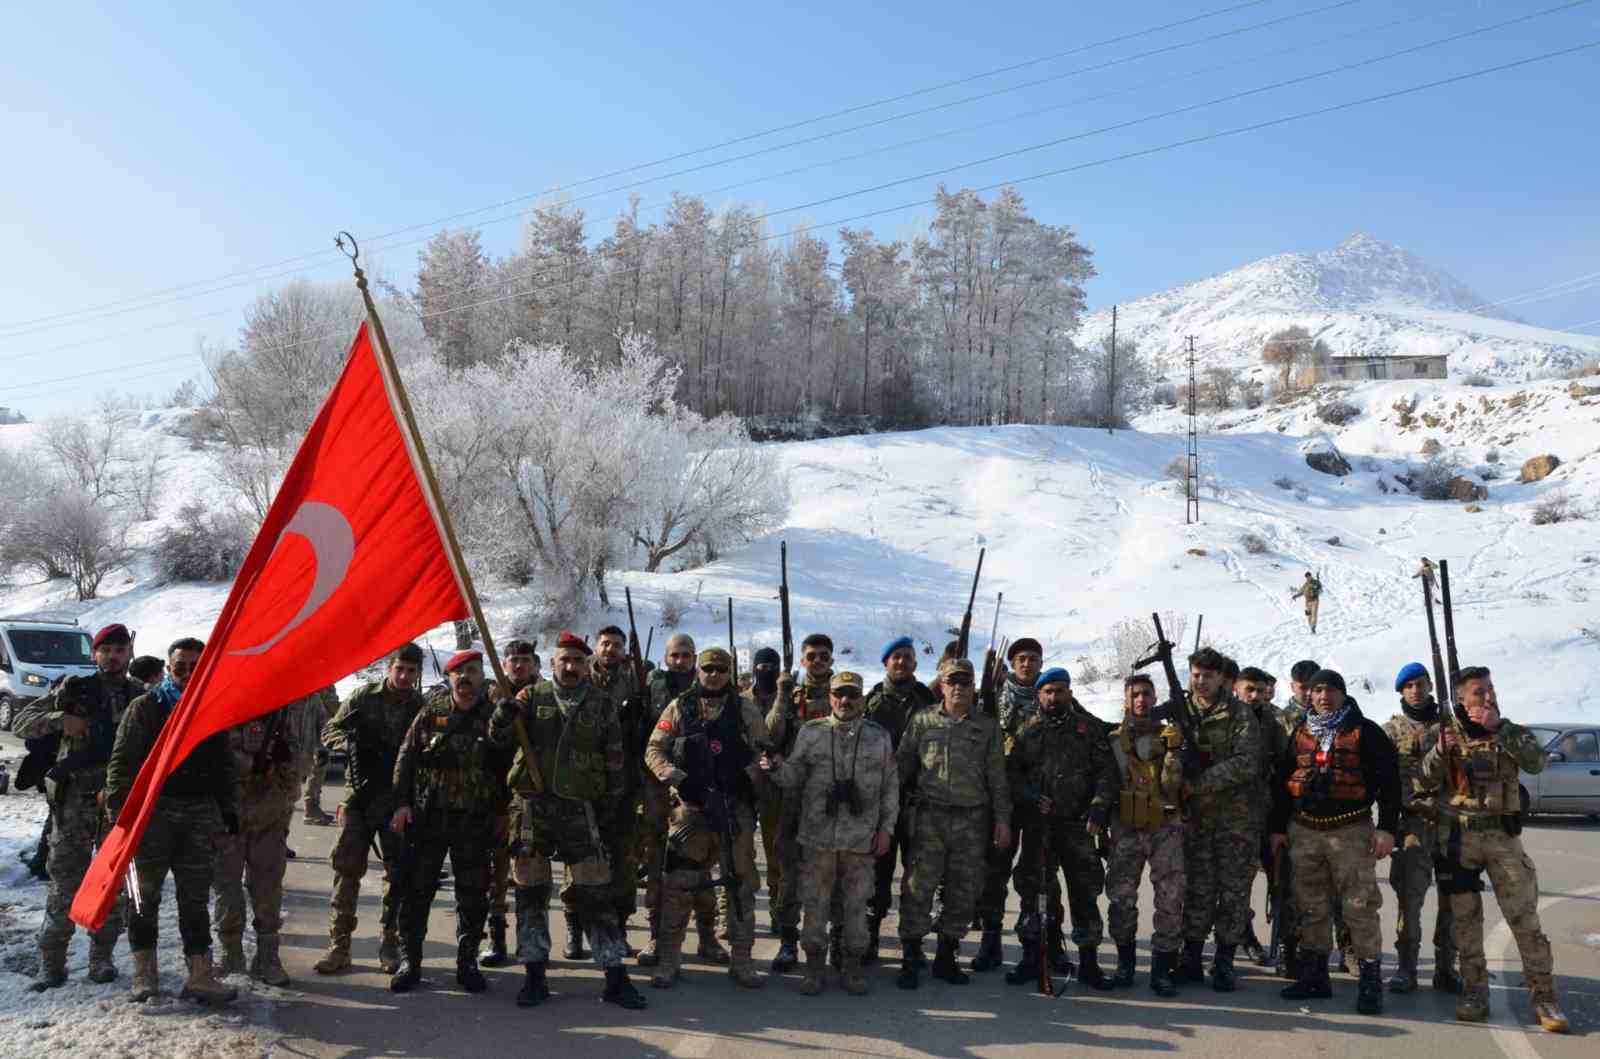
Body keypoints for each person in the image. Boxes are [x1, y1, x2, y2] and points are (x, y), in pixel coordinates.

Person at [489, 632, 648, 1010]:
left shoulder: (600, 703)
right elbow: (496, 740)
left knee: (596, 893)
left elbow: (614, 759)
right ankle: (534, 974)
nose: (571, 667)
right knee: (530, 892)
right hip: (533, 809)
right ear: (553, 662)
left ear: (586, 663)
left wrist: (609, 811)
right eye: (565, 660)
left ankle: (614, 976)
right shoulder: (530, 697)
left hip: (581, 809)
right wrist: (502, 716)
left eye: (578, 660)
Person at [1420, 667, 1569, 1032]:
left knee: (1525, 919)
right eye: (1478, 692)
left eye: (1490, 689)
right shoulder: (1445, 734)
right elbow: (1423, 777)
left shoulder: (1510, 731)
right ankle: (1475, 993)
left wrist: (1498, 726)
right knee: (1466, 923)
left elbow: (1536, 762)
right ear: (1460, 700)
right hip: (1458, 838)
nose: (1488, 696)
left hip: (1502, 838)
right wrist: (1440, 753)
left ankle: (1545, 998)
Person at [107, 637, 238, 1005]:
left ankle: (200, 974)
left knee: (194, 898)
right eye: (180, 666)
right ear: (169, 667)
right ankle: (145, 975)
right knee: (144, 897)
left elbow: (224, 765)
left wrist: (228, 811)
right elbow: (122, 762)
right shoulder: (146, 708)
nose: (187, 673)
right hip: (153, 814)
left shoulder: (211, 708)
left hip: (199, 815)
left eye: (196, 667)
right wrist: (120, 813)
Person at [14, 623, 143, 991]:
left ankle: (100, 960)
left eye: (120, 650)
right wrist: (60, 720)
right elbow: (21, 721)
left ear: (128, 654)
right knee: (63, 886)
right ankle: (51, 965)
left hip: (116, 806)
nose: (113, 656)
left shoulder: (140, 697)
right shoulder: (72, 689)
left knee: (112, 886)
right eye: (107, 649)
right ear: (94, 654)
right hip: (72, 805)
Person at [1271, 669, 1400, 1015]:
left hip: (1351, 830)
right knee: (1310, 905)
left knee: (1359, 906)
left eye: (1330, 690)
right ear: (1309, 696)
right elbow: (1282, 781)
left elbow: (1390, 783)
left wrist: (1388, 828)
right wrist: (1278, 829)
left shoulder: (1366, 732)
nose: (1323, 697)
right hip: (1304, 830)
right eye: (1317, 691)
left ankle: (1370, 980)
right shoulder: (1299, 732)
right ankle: (1315, 976)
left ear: (1343, 694)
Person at [644, 646, 772, 989]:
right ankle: (670, 958)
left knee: (741, 885)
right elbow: (654, 750)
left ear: (730, 672)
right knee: (679, 885)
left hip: (735, 808)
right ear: (698, 670)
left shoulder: (745, 708)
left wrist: (746, 777)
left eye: (720, 669)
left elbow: (764, 752)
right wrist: (680, 780)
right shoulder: (681, 706)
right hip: (692, 809)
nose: (713, 674)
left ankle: (741, 959)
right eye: (708, 668)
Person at [766, 671, 898, 995]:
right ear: (831, 697)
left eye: (852, 694)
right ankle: (814, 969)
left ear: (862, 699)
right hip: (818, 839)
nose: (845, 700)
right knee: (815, 906)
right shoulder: (811, 733)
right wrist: (776, 769)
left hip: (859, 841)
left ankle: (852, 968)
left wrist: (886, 830)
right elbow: (794, 775)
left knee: (855, 909)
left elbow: (890, 787)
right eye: (839, 694)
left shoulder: (879, 737)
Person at [894, 657, 1011, 990]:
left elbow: (997, 778)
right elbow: (901, 770)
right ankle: (911, 956)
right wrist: (888, 815)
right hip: (929, 818)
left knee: (963, 891)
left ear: (974, 686)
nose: (959, 687)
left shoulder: (988, 727)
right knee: (918, 888)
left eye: (965, 682)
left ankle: (946, 957)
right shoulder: (922, 720)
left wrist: (1002, 820)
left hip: (972, 820)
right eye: (952, 681)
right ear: (941, 685)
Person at [388, 649, 501, 994]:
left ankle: (467, 963)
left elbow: (507, 767)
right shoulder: (430, 713)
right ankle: (411, 961)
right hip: (430, 818)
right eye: (459, 672)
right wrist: (401, 804)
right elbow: (405, 759)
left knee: (473, 895)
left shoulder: (495, 717)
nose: (465, 678)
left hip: (474, 821)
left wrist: (502, 813)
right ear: (449, 677)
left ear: (482, 677)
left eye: (472, 671)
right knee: (416, 891)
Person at [314, 644, 427, 975]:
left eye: (411, 671)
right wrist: (349, 745)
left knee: (397, 875)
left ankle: (389, 943)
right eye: (399, 669)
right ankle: (339, 947)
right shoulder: (364, 698)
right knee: (347, 872)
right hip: (359, 799)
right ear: (389, 668)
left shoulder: (421, 707)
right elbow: (330, 729)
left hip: (397, 802)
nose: (404, 676)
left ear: (419, 673)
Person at [1004, 667, 1118, 990]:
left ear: (1070, 693)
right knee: (1034, 893)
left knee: (1084, 894)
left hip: (1078, 826)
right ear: (1039, 695)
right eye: (1048, 691)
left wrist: (1099, 804)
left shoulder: (1088, 729)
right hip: (1040, 827)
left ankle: (1090, 964)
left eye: (1060, 690)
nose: (1054, 697)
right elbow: (1011, 773)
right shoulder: (1027, 731)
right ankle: (1031, 958)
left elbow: (1107, 772)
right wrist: (1028, 796)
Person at [212, 692, 313, 986]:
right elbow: (211, 761)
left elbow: (295, 767)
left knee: (267, 889)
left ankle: (268, 958)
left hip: (268, 815)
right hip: (226, 816)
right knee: (226, 889)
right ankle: (231, 955)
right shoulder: (220, 711)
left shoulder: (278, 716)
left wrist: (284, 792)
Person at [1178, 647, 1261, 991]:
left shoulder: (1240, 714)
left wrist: (1198, 784)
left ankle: (1224, 961)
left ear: (1221, 678)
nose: (1201, 681)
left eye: (1208, 676)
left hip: (1235, 822)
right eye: (1196, 675)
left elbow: (1246, 763)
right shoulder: (1181, 713)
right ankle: (1191, 958)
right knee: (1197, 891)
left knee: (1233, 894)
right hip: (1195, 822)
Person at [637, 633, 721, 969]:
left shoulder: (712, 693)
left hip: (700, 794)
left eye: (686, 655)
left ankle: (708, 936)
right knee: (658, 866)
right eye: (674, 655)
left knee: (701, 867)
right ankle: (657, 936)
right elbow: (649, 744)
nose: (680, 661)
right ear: (665, 657)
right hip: (660, 789)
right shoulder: (652, 687)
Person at [1105, 674, 1186, 996]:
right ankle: (1125, 965)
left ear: (1155, 699)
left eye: (1147, 694)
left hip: (1165, 827)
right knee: (1121, 899)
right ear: (1126, 699)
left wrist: (1174, 750)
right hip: (1126, 827)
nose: (1141, 699)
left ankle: (1162, 969)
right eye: (1135, 694)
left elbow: (1174, 785)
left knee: (1170, 899)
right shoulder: (1112, 739)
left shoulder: (1171, 736)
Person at [1383, 662, 1460, 994]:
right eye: (1409, 685)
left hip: (1453, 825)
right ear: (1401, 691)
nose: (1416, 690)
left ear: (1431, 686)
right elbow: (1385, 784)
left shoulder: (1452, 726)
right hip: (1412, 824)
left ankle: (1446, 969)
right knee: (1410, 901)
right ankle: (1406, 968)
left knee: (1454, 901)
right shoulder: (1390, 732)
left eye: (1421, 683)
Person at [861, 635, 937, 965]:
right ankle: (870, 936)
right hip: (880, 801)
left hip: (920, 801)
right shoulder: (871, 702)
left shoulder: (928, 699)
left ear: (916, 664)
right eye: (896, 657)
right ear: (885, 663)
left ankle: (912, 942)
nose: (902, 662)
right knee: (877, 872)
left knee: (917, 877)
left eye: (907, 657)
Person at [973, 637, 1047, 973]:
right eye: (1021, 658)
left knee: (1033, 876)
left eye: (1033, 658)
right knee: (994, 874)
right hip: (1000, 801)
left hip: (1036, 805)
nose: (1027, 664)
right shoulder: (994, 697)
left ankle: (1034, 948)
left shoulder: (1052, 698)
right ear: (1012, 663)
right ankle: (990, 943)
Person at [765, 632, 836, 971]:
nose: (818, 661)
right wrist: (781, 694)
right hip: (793, 796)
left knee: (832, 874)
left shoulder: (845, 694)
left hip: (832, 799)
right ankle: (788, 941)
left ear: (832, 660)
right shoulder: (790, 696)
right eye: (812, 656)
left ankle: (831, 942)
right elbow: (770, 734)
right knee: (790, 872)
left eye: (824, 656)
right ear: (803, 661)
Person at [588, 626, 652, 958]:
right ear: (596, 648)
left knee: (623, 862)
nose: (610, 650)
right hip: (586, 782)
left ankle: (620, 929)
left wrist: (641, 713)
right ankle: (581, 928)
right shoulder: (581, 679)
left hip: (625, 783)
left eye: (616, 645)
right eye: (605, 644)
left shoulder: (636, 681)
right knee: (585, 862)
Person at [482, 638, 539, 968]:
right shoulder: (491, 695)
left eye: (524, 660)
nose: (518, 665)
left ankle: (531, 941)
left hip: (534, 794)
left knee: (531, 871)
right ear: (504, 664)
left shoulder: (545, 695)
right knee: (498, 869)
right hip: (498, 792)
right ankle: (496, 937)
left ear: (535, 664)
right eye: (513, 660)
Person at [1235, 666, 1289, 966]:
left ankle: (1282, 943)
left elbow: (1284, 770)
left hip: (1268, 816)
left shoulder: (1272, 723)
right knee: (1238, 885)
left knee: (1281, 882)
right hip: (1234, 820)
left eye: (1259, 691)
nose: (1255, 696)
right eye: (1249, 690)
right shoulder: (1224, 720)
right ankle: (1245, 937)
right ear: (1236, 689)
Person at [748, 647, 785, 936]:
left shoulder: (787, 699)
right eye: (760, 666)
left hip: (776, 787)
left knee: (777, 856)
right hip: (744, 786)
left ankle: (777, 911)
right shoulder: (739, 701)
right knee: (737, 856)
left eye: (771, 666)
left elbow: (776, 736)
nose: (766, 671)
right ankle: (733, 915)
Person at [298, 685, 341, 826]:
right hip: (318, 732)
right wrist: (343, 710)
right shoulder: (324, 681)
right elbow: (331, 704)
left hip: (318, 729)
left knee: (317, 770)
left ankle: (312, 808)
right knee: (317, 770)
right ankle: (311, 810)